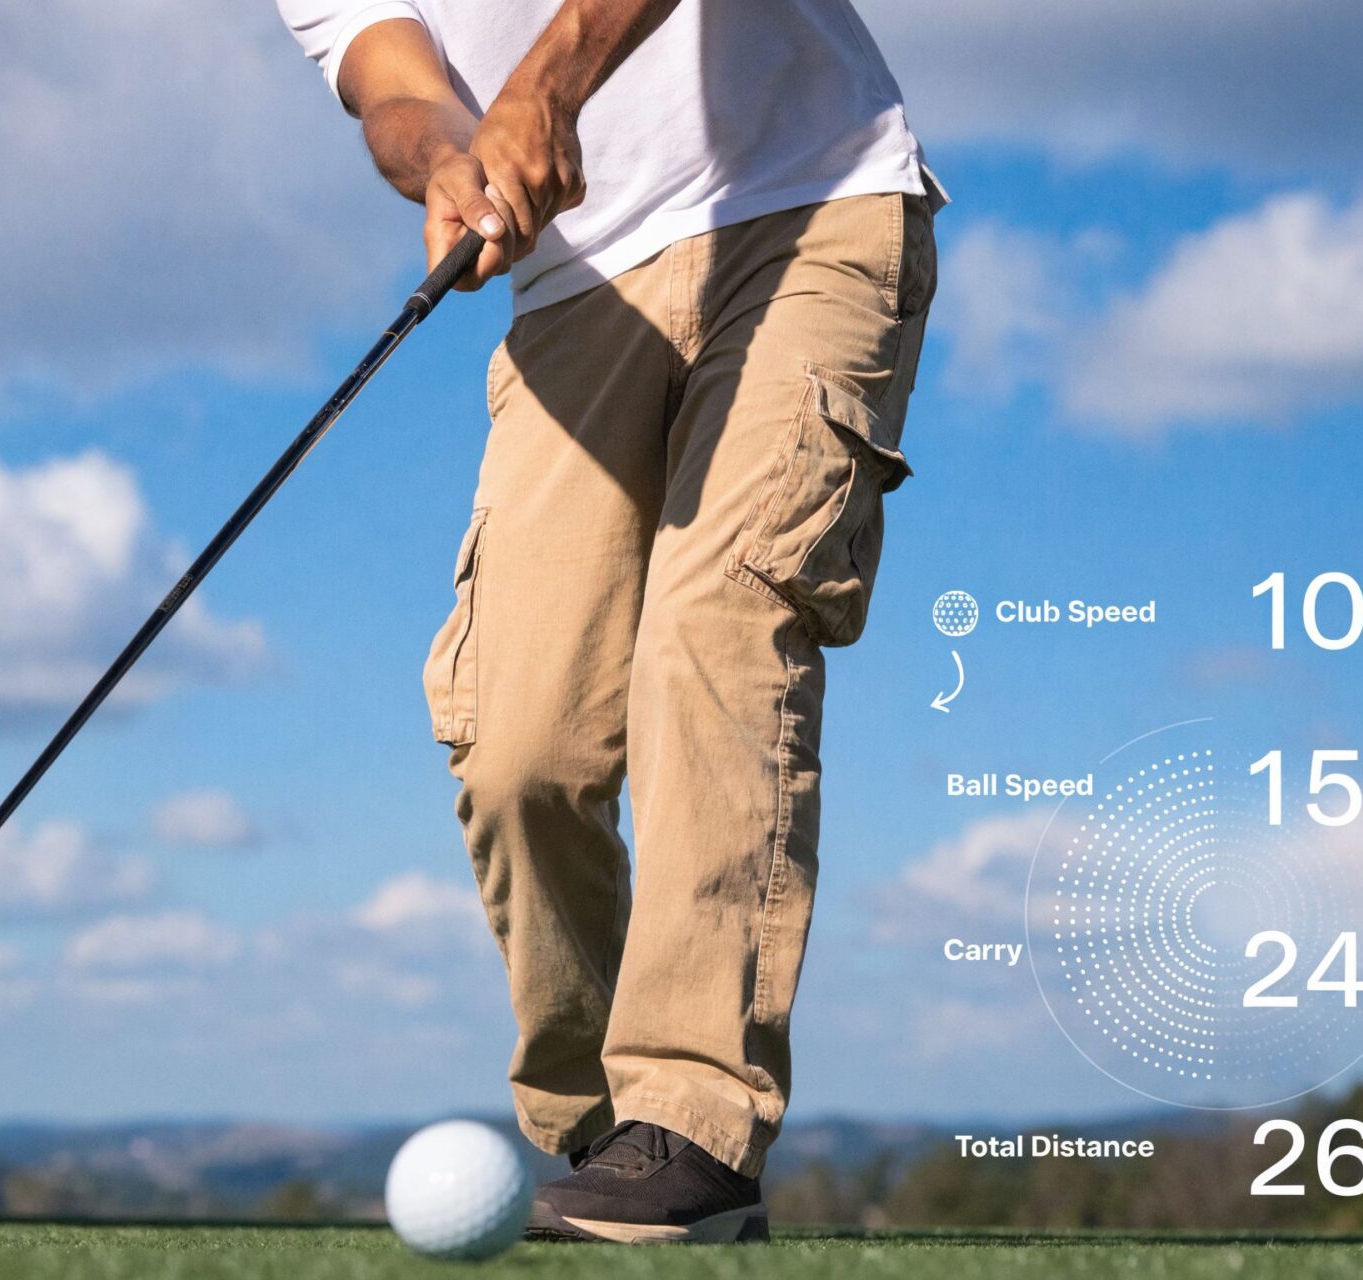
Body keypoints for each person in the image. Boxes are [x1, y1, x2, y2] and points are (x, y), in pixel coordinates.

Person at [277, 0, 941, 1243]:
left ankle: (691, 1122)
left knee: (717, 637)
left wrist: (545, 87)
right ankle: (601, 1129)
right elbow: (391, 84)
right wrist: (446, 159)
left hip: (807, 207)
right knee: (519, 743)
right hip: (576, 290)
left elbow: (548, 72)